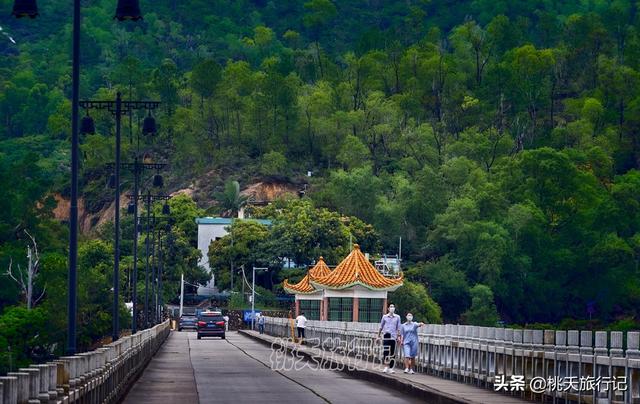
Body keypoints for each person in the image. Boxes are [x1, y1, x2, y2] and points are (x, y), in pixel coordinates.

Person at [377, 303, 401, 373]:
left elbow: (399, 328)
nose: (392, 308)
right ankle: (385, 366)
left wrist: (399, 337)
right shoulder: (385, 317)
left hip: (393, 336)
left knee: (393, 353)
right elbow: (381, 327)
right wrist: (378, 336)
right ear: (388, 309)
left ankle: (391, 368)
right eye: (390, 307)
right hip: (386, 335)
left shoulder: (397, 317)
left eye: (393, 307)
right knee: (386, 352)